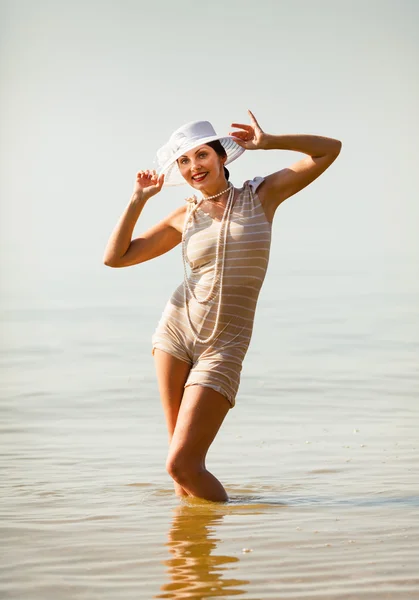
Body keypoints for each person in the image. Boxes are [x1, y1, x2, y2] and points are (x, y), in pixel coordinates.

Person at [103, 110, 341, 503]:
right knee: (179, 466)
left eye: (201, 156)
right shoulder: (186, 215)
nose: (193, 167)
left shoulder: (261, 195)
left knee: (183, 463)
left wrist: (270, 142)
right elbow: (116, 257)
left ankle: (228, 534)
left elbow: (329, 150)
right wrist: (137, 200)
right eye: (183, 161)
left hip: (224, 346)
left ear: (221, 157)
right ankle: (191, 558)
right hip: (176, 333)